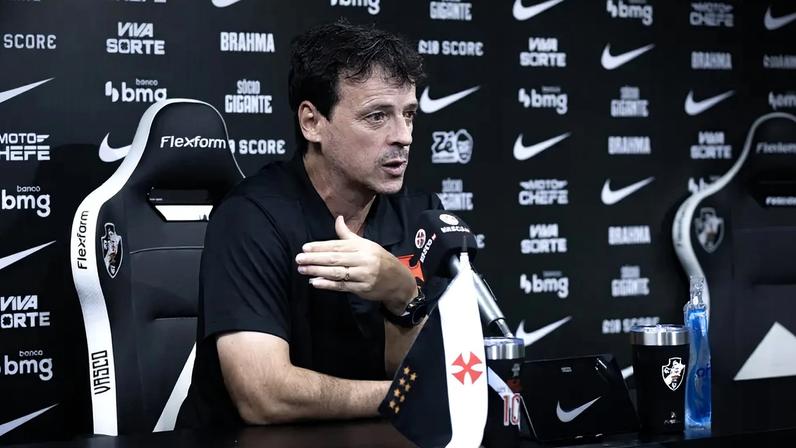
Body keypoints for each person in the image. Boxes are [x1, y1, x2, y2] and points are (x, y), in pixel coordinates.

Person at [176, 20, 444, 428]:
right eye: (377, 117)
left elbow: (435, 369)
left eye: (408, 115)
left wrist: (402, 295)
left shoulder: (421, 216)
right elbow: (264, 397)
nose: (403, 136)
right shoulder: (251, 217)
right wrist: (403, 395)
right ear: (312, 122)